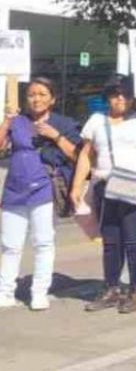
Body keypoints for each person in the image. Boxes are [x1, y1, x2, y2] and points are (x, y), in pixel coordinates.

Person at [70, 75, 136, 314]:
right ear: (108, 96)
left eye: (126, 94)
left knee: (134, 242)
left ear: (132, 97)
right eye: (115, 93)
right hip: (105, 185)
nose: (120, 99)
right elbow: (86, 155)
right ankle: (111, 288)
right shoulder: (96, 120)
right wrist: (77, 186)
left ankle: (135, 291)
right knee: (111, 242)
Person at [0, 77, 79, 310]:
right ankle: (5, 291)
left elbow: (77, 155)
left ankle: (39, 292)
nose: (36, 98)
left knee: (43, 242)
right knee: (10, 244)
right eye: (32, 94)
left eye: (42, 94)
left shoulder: (63, 123)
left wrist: (55, 136)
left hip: (44, 190)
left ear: (52, 99)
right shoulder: (18, 121)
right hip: (15, 190)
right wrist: (6, 122)